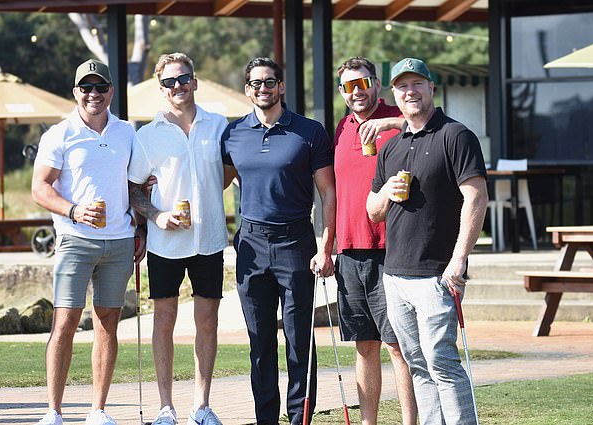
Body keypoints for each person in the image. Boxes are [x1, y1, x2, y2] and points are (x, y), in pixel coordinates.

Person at [366, 57, 488, 424]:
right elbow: (373, 211)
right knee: (417, 365)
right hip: (395, 274)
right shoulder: (391, 147)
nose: (410, 91)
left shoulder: (456, 135)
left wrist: (459, 260)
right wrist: (387, 190)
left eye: (417, 83)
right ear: (394, 94)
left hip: (437, 273)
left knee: (442, 363)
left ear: (431, 87)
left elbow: (477, 197)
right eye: (402, 86)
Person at [221, 57, 335, 425]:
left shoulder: (310, 131)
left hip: (296, 242)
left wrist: (326, 245)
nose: (263, 88)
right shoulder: (233, 134)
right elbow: (218, 182)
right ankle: (265, 419)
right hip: (251, 246)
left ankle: (301, 417)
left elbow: (328, 194)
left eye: (270, 82)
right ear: (247, 90)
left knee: (299, 339)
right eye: (255, 83)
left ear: (281, 86)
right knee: (260, 342)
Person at [32, 59, 143, 425]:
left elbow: (136, 184)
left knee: (108, 323)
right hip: (75, 240)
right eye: (86, 88)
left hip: (119, 241)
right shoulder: (59, 134)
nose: (93, 94)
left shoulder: (127, 132)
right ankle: (54, 411)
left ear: (111, 90)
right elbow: (40, 188)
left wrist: (140, 225)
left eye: (100, 87)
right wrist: (74, 211)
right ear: (75, 91)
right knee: (64, 322)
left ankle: (98, 410)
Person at [127, 52, 227, 425]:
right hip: (165, 244)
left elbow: (229, 171)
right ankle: (166, 408)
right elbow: (134, 189)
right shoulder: (147, 135)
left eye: (183, 78)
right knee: (164, 320)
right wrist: (156, 215)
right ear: (161, 88)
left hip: (210, 240)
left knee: (207, 321)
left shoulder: (218, 125)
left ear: (195, 80)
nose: (177, 86)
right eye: (169, 82)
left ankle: (201, 406)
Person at [334, 56, 417, 425]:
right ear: (342, 93)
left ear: (377, 84)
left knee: (398, 345)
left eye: (363, 83)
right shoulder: (340, 129)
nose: (357, 92)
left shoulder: (397, 120)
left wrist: (388, 121)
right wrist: (326, 247)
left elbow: (431, 124)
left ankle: (410, 422)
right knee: (364, 345)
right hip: (349, 251)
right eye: (349, 86)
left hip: (391, 251)